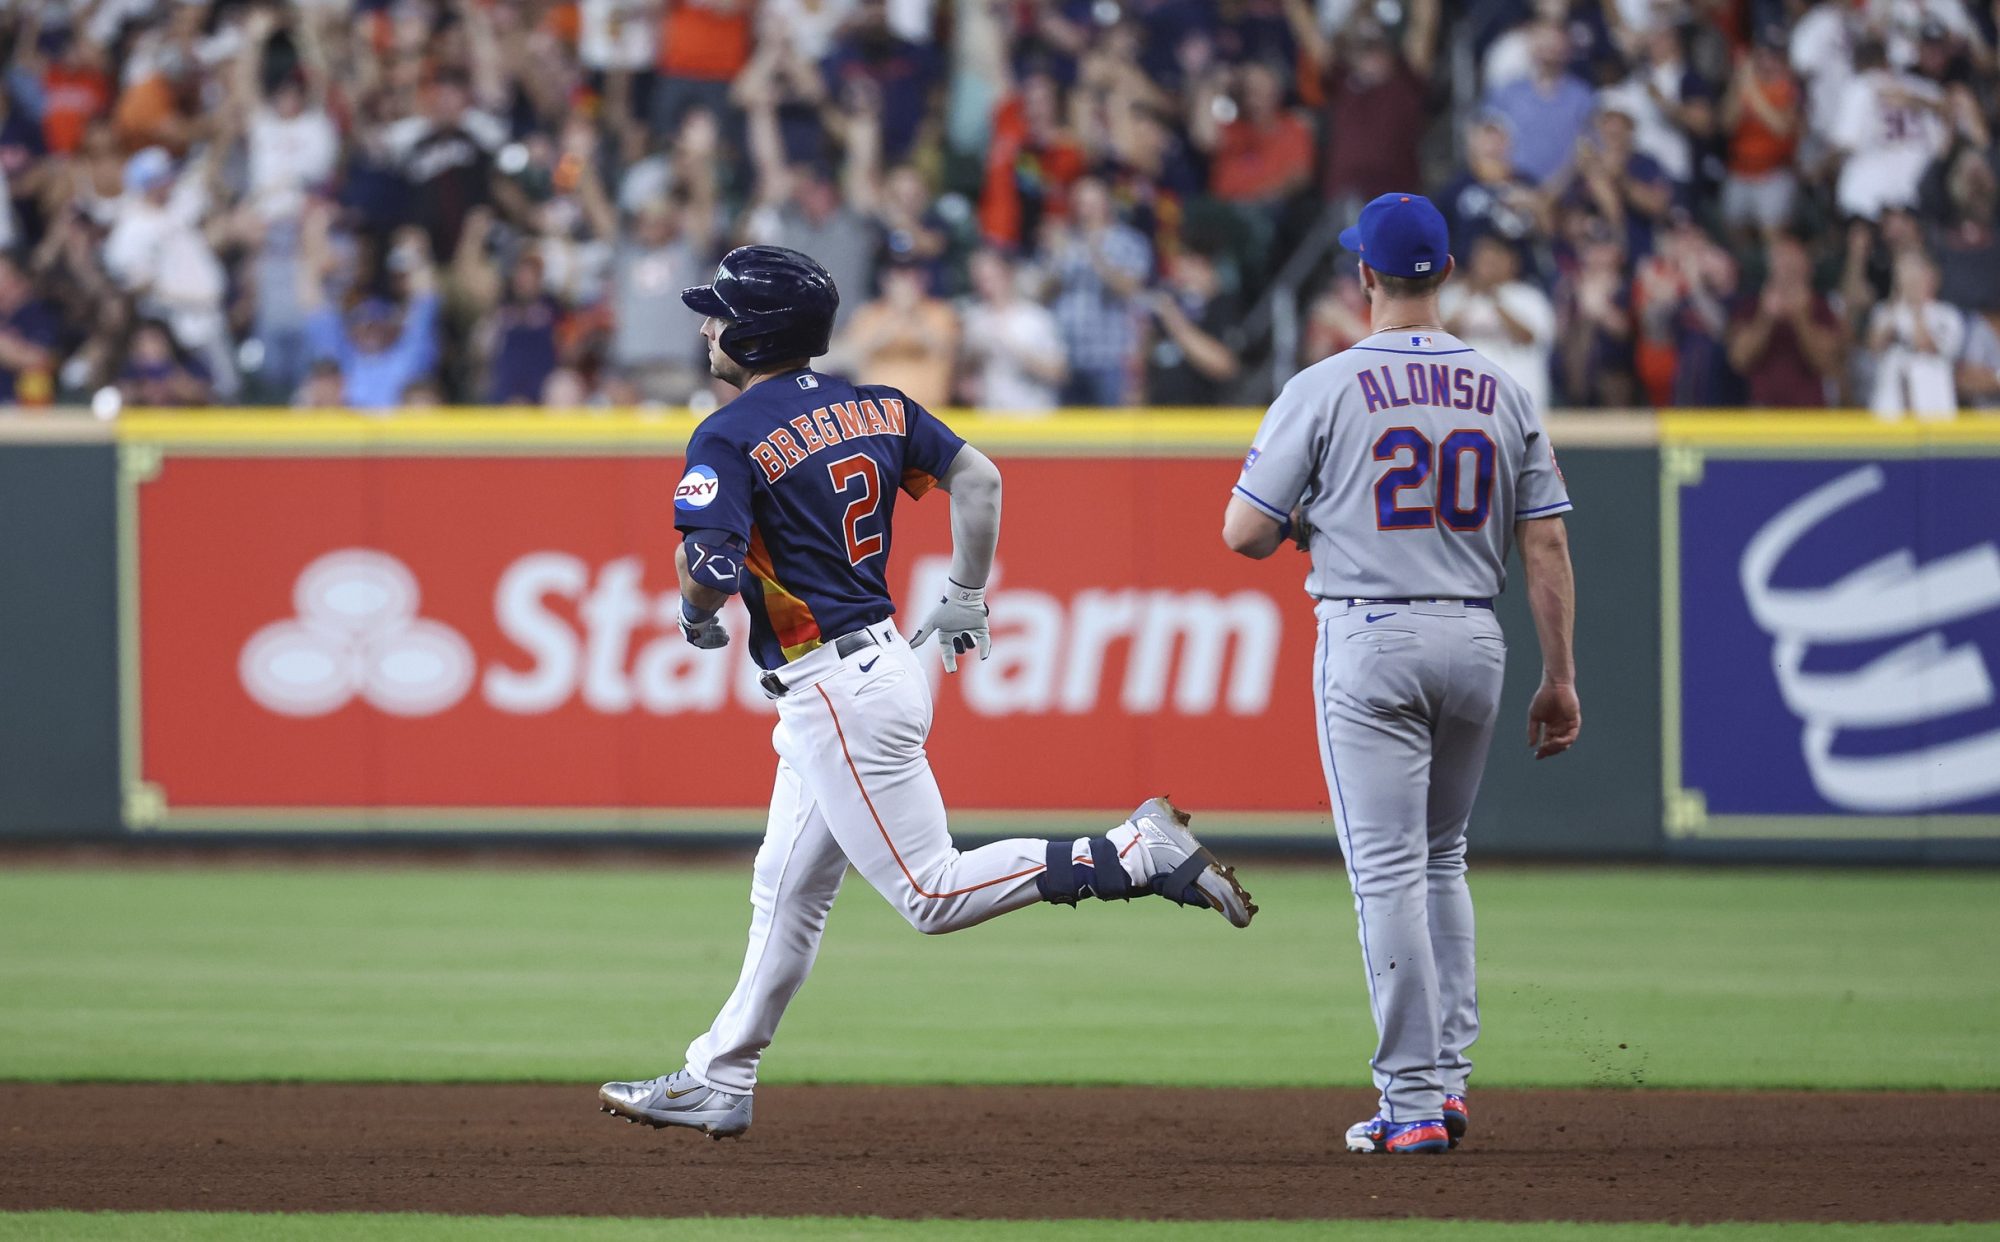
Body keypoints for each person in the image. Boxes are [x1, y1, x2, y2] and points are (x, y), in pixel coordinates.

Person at [597, 245, 1255, 1139]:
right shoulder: (877, 401)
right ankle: (721, 1076)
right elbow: (979, 478)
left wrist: (694, 609)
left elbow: (709, 564)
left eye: (718, 313)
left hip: (835, 685)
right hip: (875, 665)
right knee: (785, 890)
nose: (706, 326)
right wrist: (966, 593)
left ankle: (1134, 852)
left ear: (754, 331)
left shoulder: (730, 429)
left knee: (931, 893)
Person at [1220, 194, 1580, 1156]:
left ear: (1365, 277)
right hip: (1476, 639)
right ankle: (1447, 1085)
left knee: (1387, 872)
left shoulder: (1326, 383)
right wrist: (1563, 678)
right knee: (1441, 859)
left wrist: (1312, 519)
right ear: (1447, 272)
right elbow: (1544, 544)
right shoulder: (1503, 387)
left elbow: (1245, 531)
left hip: (1370, 633)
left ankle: (1412, 1102)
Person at [957, 247, 1066, 413]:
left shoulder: (1035, 318)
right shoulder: (974, 318)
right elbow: (964, 376)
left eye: (990, 278)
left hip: (1033, 416)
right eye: (980, 279)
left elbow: (1059, 373)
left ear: (1007, 275)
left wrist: (1017, 351)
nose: (985, 286)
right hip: (990, 417)